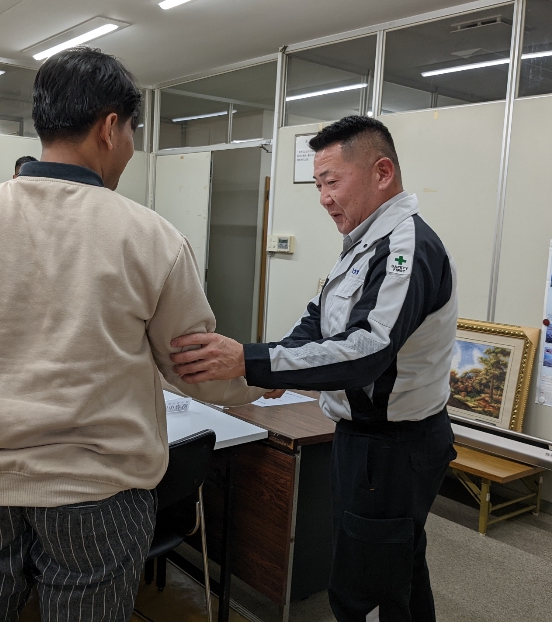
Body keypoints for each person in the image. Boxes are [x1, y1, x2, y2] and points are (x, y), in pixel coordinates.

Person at [0, 47, 265, 622]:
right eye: (131, 132)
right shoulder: (151, 238)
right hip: (97, 498)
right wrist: (266, 378)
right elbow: (195, 368)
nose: (130, 147)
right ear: (109, 127)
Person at [169, 116, 458, 622]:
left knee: (364, 587)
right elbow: (317, 321)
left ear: (382, 172)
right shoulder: (363, 244)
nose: (324, 198)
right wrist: (268, 370)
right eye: (318, 185)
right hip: (362, 437)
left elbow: (367, 351)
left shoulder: (404, 249)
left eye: (332, 182)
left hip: (393, 446)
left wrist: (252, 360)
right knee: (395, 569)